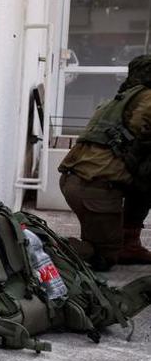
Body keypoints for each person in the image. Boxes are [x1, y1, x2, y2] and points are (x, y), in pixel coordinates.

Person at [57, 54, 151, 269]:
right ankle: (47, 247)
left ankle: (129, 244)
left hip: (75, 180)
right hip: (96, 189)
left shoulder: (120, 99)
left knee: (145, 180)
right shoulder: (147, 99)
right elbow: (144, 134)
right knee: (103, 258)